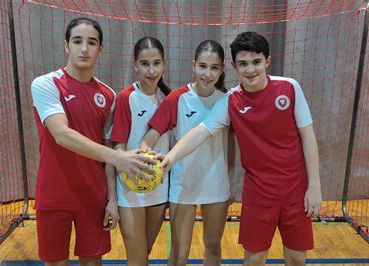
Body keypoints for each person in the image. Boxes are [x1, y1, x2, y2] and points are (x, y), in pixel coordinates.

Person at [161, 31, 322, 266]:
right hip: (258, 193)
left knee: (297, 258)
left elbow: (308, 136)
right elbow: (201, 131)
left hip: (295, 190)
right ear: (234, 66)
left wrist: (314, 187)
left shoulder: (289, 88)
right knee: (254, 259)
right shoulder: (231, 100)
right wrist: (170, 157)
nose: (250, 70)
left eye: (256, 62)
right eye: (243, 64)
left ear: (267, 61)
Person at [31, 17, 157, 266]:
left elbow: (109, 148)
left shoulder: (107, 94)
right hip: (54, 192)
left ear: (100, 48)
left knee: (92, 261)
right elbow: (62, 135)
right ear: (66, 45)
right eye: (77, 41)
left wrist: (112, 200)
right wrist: (120, 158)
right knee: (55, 262)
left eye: (92, 42)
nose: (84, 49)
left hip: (93, 194)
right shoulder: (46, 84)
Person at [141, 40, 231, 266]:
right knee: (180, 253)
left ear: (222, 70)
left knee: (213, 246)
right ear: (193, 65)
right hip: (183, 184)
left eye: (214, 68)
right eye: (202, 66)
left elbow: (234, 144)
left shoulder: (228, 101)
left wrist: (232, 178)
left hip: (217, 184)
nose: (207, 73)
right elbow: (153, 134)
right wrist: (144, 153)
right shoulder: (178, 98)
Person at [106, 36, 171, 265]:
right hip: (130, 188)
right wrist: (112, 198)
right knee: (137, 259)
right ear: (135, 65)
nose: (151, 70)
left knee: (145, 253)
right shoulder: (126, 98)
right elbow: (118, 149)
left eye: (156, 63)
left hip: (159, 189)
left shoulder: (169, 98)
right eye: (144, 64)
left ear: (164, 64)